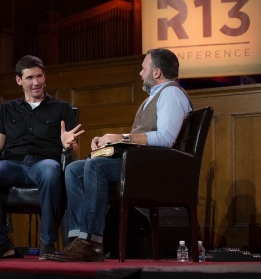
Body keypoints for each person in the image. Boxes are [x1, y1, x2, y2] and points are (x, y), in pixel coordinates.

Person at [44, 48, 194, 262]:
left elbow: (165, 139)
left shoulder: (171, 93)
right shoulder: (153, 98)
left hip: (156, 171)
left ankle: (92, 243)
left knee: (95, 167)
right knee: (73, 169)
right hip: (140, 164)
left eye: (143, 68)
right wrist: (108, 143)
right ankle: (78, 240)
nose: (140, 73)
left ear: (157, 72)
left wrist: (120, 138)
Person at [0, 55, 84, 260]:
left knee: (50, 169)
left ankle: (47, 244)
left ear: (44, 76)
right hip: (13, 164)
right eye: (30, 78)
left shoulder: (61, 108)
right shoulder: (7, 109)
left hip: (43, 163)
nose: (36, 82)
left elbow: (75, 153)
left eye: (39, 76)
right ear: (19, 80)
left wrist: (68, 145)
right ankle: (1, 244)